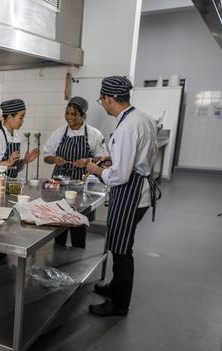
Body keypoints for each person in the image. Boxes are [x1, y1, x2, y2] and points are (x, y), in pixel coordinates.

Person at [85, 76, 161, 317]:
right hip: (140, 190)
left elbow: (120, 176)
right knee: (119, 244)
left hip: (131, 194)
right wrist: (113, 159)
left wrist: (94, 168)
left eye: (101, 100)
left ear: (108, 98)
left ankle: (119, 304)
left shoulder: (127, 126)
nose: (103, 104)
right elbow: (138, 155)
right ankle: (114, 288)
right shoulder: (142, 117)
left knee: (121, 250)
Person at [43, 96, 108, 249]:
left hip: (82, 184)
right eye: (67, 113)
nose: (69, 118)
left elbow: (103, 158)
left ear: (83, 115)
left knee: (78, 222)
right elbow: (46, 156)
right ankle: (58, 258)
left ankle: (77, 261)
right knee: (60, 222)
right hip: (59, 185)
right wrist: (54, 159)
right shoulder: (58, 133)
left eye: (74, 114)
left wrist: (88, 160)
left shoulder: (94, 134)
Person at [0, 99, 40, 178]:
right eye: (21, 117)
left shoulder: (16, 137)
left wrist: (24, 161)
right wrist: (7, 162)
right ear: (9, 117)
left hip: (10, 186)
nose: (23, 121)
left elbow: (14, 169)